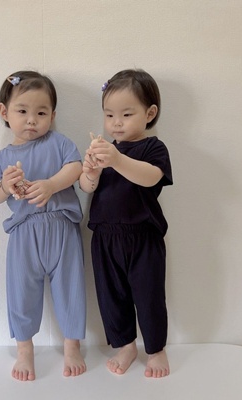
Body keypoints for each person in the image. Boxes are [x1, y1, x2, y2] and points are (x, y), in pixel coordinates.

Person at [0, 71, 86, 381]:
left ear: (52, 116)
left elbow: (76, 167)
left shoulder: (59, 143)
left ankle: (72, 347)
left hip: (62, 228)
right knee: (21, 291)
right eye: (22, 111)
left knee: (71, 287)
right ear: (5, 112)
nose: (32, 120)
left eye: (41, 113)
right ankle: (24, 350)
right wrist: (4, 186)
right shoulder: (2, 159)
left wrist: (52, 184)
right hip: (24, 233)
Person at [79, 69, 172, 378]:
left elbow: (151, 178)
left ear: (150, 114)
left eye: (126, 114)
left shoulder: (153, 148)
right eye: (109, 115)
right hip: (105, 237)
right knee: (111, 296)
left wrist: (117, 160)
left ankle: (156, 349)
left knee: (149, 296)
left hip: (143, 236)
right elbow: (87, 187)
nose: (116, 123)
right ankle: (126, 345)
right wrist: (91, 172)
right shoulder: (105, 150)